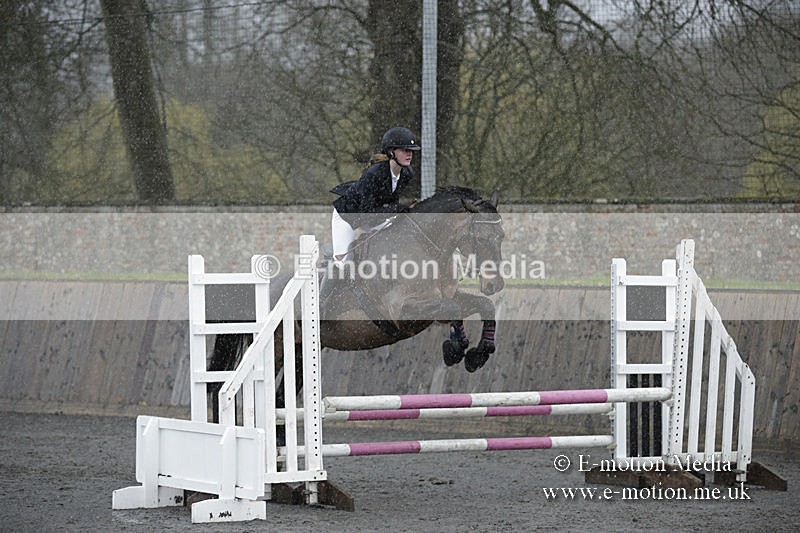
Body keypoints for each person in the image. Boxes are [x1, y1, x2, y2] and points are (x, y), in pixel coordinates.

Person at [330, 126, 421, 262]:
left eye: (411, 151)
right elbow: (367, 212)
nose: (410, 154)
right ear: (391, 152)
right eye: (405, 150)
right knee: (342, 262)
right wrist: (395, 209)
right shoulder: (374, 174)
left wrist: (399, 210)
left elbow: (391, 200)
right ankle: (330, 272)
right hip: (348, 216)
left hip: (371, 217)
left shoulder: (407, 173)